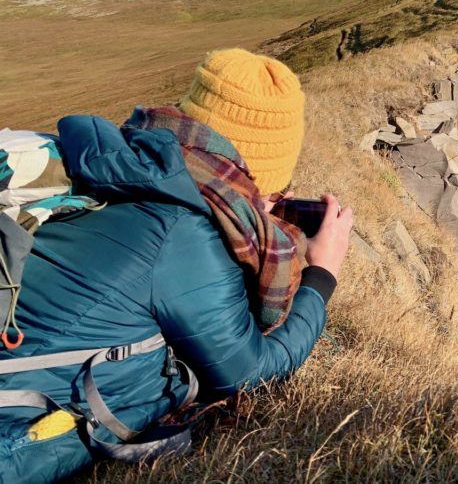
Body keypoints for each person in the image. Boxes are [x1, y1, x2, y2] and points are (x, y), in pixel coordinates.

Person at [0, 48, 352, 482]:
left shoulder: (117, 163)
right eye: (277, 195)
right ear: (259, 177)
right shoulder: (184, 233)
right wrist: (321, 276)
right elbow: (249, 373)